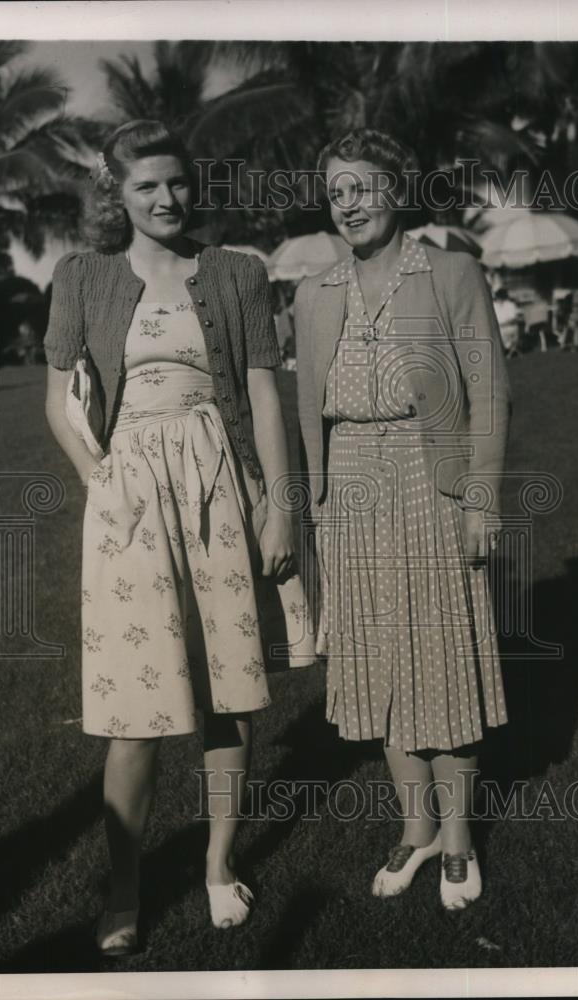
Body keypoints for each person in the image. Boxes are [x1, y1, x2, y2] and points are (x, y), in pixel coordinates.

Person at [43, 120, 303, 952]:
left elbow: (264, 397)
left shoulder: (235, 273)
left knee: (231, 682)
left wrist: (280, 505)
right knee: (134, 704)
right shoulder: (82, 278)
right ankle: (124, 889)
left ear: (195, 184)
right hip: (127, 494)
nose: (166, 198)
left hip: (219, 481)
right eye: (146, 185)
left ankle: (219, 866)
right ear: (116, 194)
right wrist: (100, 483)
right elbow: (57, 401)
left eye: (177, 182)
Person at [295, 128, 511, 910]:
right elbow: (306, 413)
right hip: (349, 484)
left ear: (397, 186)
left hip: (431, 476)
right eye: (335, 192)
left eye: (360, 186)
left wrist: (482, 495)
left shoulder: (450, 273)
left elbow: (488, 389)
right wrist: (318, 508)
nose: (347, 204)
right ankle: (415, 830)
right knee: (378, 663)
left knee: (441, 654)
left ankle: (457, 843)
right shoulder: (313, 293)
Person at [493, 287, 520, 357]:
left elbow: (513, 319)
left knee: (502, 333)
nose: (498, 299)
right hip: (498, 328)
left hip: (509, 327)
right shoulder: (494, 305)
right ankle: (506, 351)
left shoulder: (510, 305)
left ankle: (508, 351)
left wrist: (502, 325)